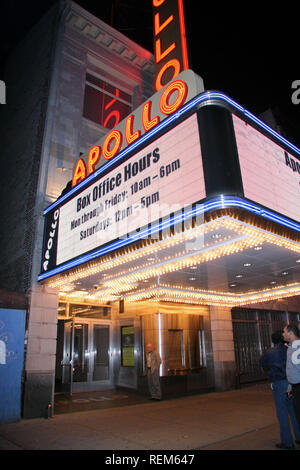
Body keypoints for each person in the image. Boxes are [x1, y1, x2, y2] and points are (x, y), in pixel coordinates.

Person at [259, 330, 300, 450]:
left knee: (282, 413)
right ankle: (298, 436)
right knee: (293, 411)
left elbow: (262, 362)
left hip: (278, 383)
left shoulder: (270, 352)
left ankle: (287, 442)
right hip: (291, 382)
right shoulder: (289, 348)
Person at [283, 324, 300, 431]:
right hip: (295, 387)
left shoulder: (296, 349)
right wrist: (290, 385)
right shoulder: (291, 347)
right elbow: (291, 368)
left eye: (284, 332)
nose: (283, 334)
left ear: (290, 333)